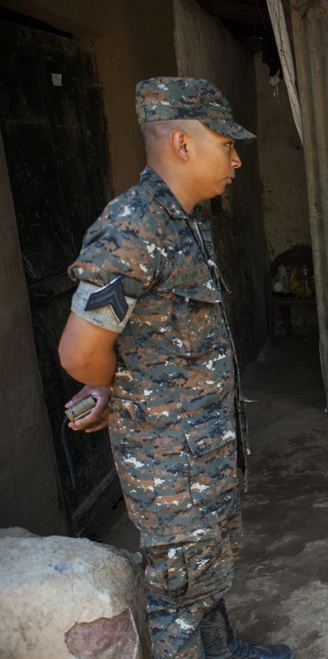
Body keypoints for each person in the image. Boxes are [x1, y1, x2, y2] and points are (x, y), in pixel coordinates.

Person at [57, 78, 293, 658]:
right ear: (183, 144)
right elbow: (78, 350)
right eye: (226, 144)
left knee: (204, 568)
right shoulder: (133, 227)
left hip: (201, 448)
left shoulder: (183, 220)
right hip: (171, 458)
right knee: (178, 594)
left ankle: (226, 652)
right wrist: (105, 383)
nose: (236, 159)